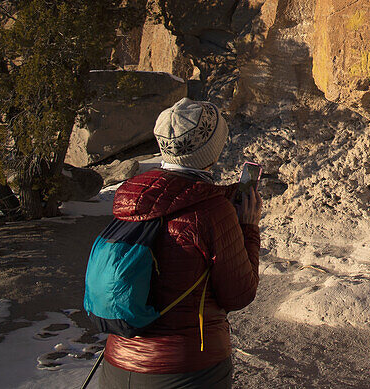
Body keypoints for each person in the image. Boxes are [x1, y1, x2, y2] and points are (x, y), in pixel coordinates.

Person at [98, 97, 261, 388]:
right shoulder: (212, 212)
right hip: (186, 368)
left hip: (118, 363)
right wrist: (247, 228)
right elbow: (239, 294)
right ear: (212, 149)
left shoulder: (132, 199)